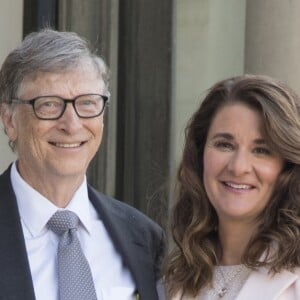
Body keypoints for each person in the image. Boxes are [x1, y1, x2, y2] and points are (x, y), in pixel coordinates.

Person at [0, 28, 165, 300]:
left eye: (87, 103)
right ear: (9, 121)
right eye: (49, 105)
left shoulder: (143, 238)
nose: (72, 124)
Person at [163, 75, 300, 299]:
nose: (238, 167)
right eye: (224, 145)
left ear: (288, 167)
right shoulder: (172, 280)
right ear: (200, 155)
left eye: (261, 150)